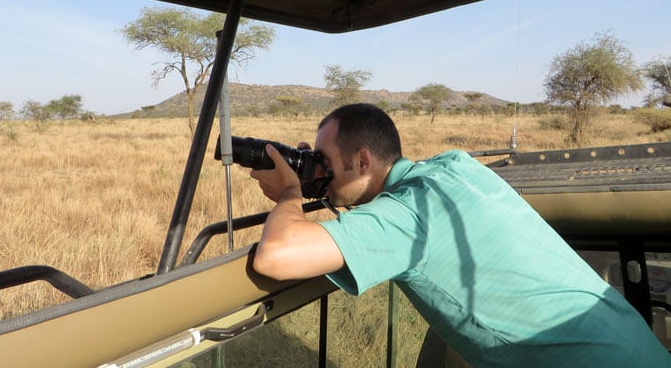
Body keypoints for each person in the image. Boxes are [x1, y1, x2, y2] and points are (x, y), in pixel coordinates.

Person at [250, 103, 670, 367]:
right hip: (632, 342)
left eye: (324, 160)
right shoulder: (453, 167)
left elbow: (277, 256)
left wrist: (289, 190)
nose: (319, 170)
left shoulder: (405, 214)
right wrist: (319, 177)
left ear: (363, 160)